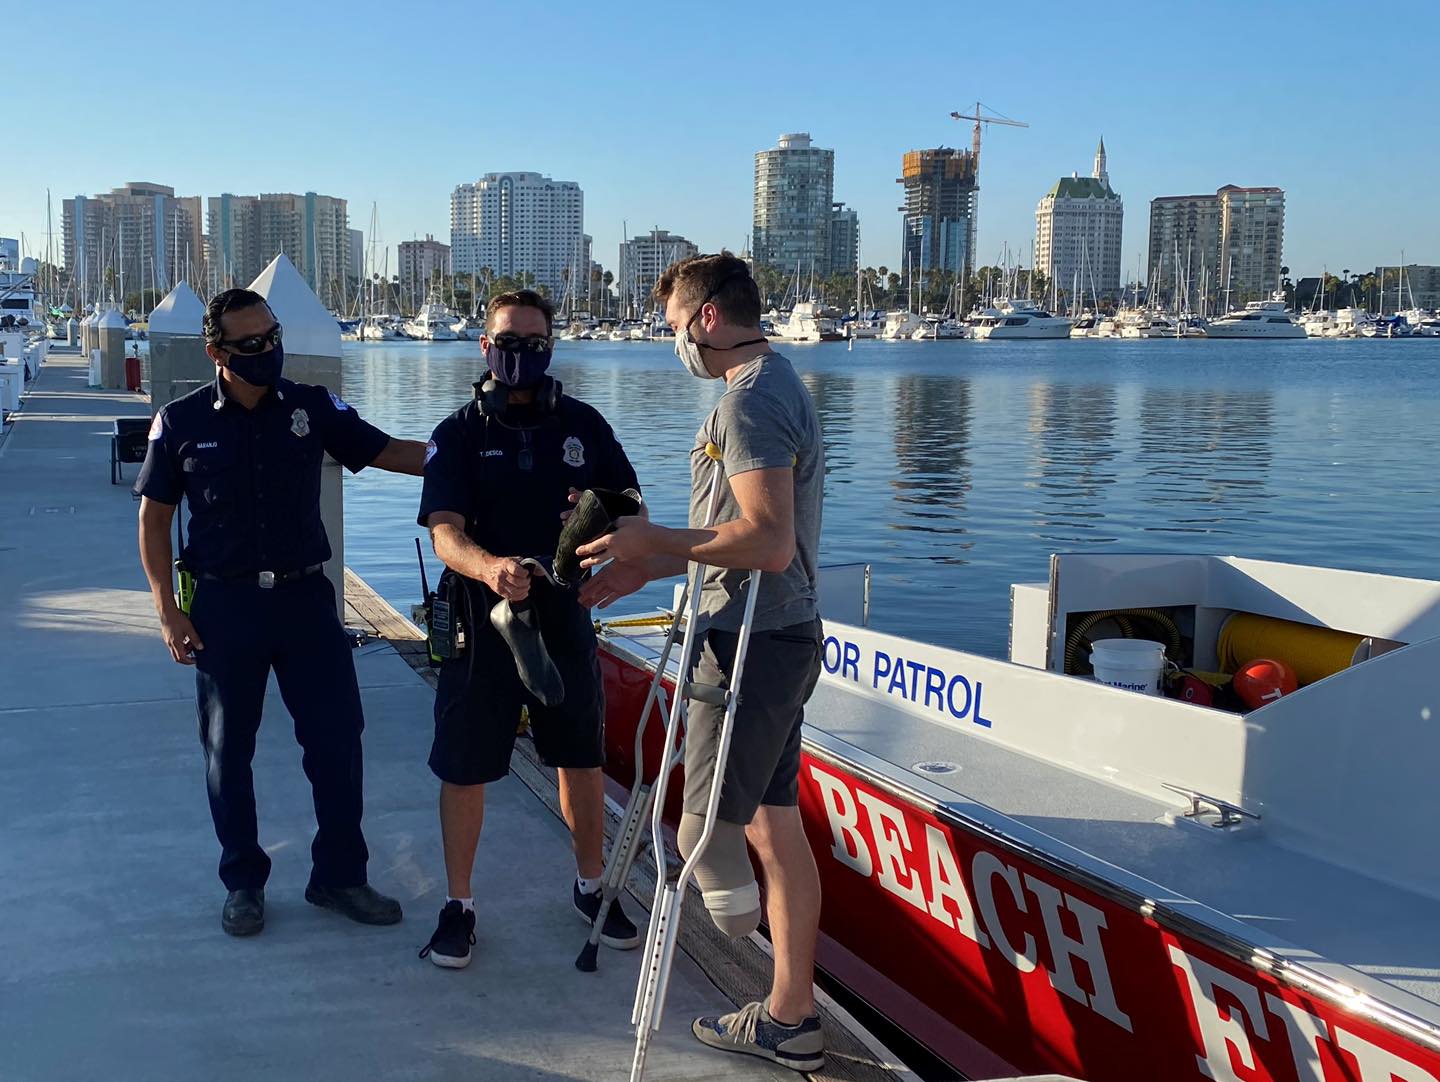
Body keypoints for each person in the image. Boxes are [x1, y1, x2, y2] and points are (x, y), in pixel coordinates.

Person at [575, 253, 827, 1073]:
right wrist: (651, 562)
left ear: (710, 318)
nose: (674, 340)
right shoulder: (777, 385)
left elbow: (768, 539)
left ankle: (758, 979)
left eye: (677, 325)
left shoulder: (748, 403)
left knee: (704, 839)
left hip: (749, 644)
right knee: (771, 821)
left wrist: (656, 541)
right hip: (778, 635)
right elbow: (734, 536)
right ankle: (792, 1014)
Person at [135, 287, 428, 937]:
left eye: (272, 337)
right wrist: (166, 611)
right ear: (216, 353)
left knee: (336, 740)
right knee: (227, 750)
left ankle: (340, 877)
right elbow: (154, 521)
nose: (268, 351)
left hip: (305, 602)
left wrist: (465, 462)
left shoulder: (311, 406)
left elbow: (388, 451)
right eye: (250, 345)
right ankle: (243, 881)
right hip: (224, 606)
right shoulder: (180, 422)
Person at [416, 289, 643, 970]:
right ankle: (459, 905)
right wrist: (490, 569)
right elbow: (445, 535)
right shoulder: (456, 433)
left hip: (563, 615)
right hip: (482, 621)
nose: (521, 355)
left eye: (534, 344)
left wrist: (622, 559)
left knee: (580, 757)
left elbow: (631, 510)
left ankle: (591, 884)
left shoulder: (585, 426)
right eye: (508, 343)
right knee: (465, 767)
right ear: (485, 348)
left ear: (551, 348)